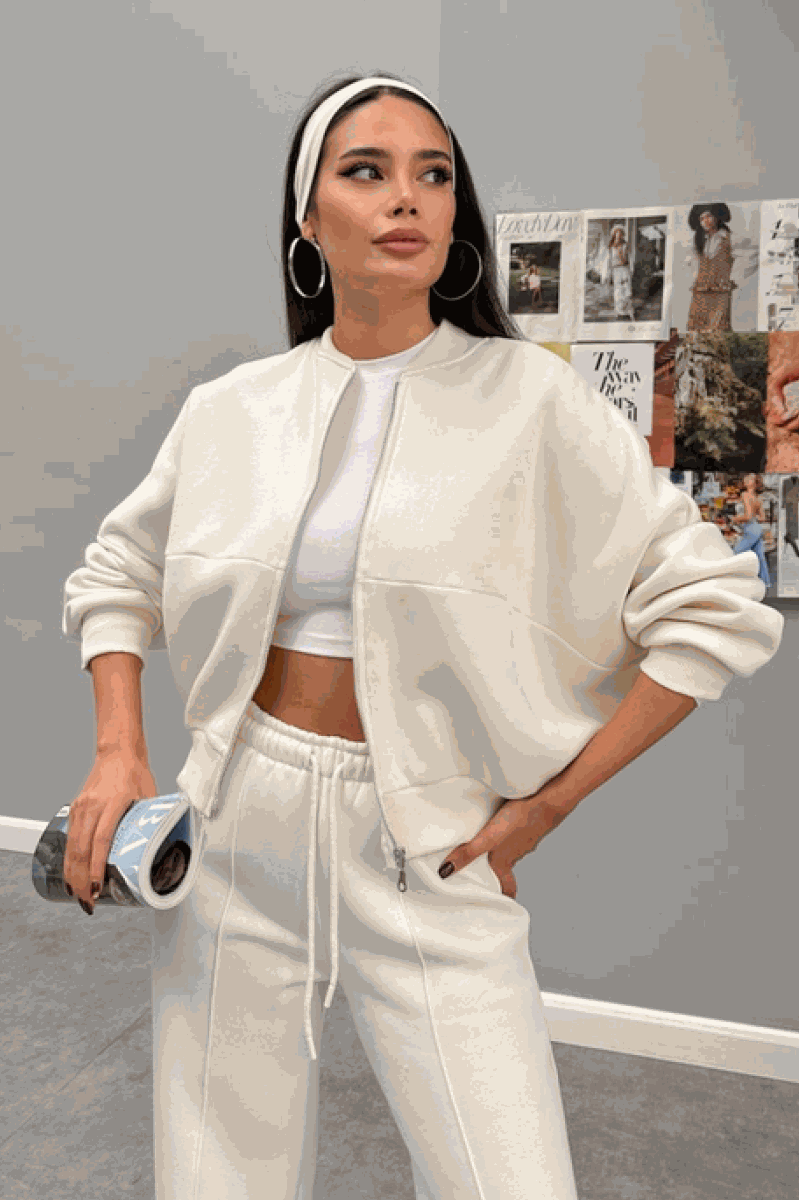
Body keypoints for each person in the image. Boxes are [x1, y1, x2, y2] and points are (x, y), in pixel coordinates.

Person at [60, 73, 784, 1200]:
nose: (406, 197)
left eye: (433, 175)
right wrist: (119, 749)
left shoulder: (530, 400)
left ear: (455, 216)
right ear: (308, 221)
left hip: (425, 838)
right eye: (366, 171)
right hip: (237, 820)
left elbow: (714, 605)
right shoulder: (233, 410)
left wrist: (549, 804)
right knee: (214, 1175)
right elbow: (117, 572)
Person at [686, 203, 737, 332]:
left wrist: (733, 277)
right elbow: (692, 263)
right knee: (698, 326)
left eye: (708, 216)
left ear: (716, 217)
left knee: (718, 326)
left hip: (720, 291)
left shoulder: (728, 238)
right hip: (701, 291)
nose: (705, 221)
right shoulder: (699, 241)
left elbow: (744, 259)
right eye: (702, 219)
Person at [729, 474, 772, 587]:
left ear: (753, 483)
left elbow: (747, 516)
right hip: (757, 528)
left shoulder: (745, 495)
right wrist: (753, 517)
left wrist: (735, 519)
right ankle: (765, 583)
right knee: (760, 557)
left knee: (736, 553)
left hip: (750, 528)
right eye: (746, 478)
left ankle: (732, 580)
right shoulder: (758, 498)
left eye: (749, 478)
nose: (745, 479)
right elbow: (762, 517)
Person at [600, 224, 636, 320]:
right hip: (616, 271)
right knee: (618, 291)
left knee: (627, 290)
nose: (619, 235)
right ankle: (620, 311)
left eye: (620, 233)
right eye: (617, 233)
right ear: (614, 235)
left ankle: (628, 311)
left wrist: (631, 270)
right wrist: (606, 274)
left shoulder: (625, 245)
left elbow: (630, 258)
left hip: (625, 269)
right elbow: (608, 261)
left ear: (622, 235)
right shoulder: (611, 247)